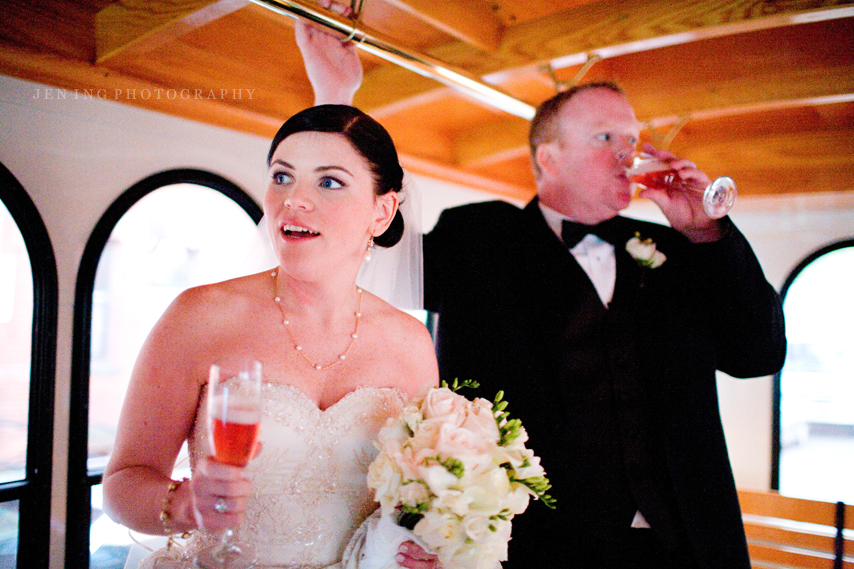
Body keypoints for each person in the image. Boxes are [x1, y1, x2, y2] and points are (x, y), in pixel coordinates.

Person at [297, 18, 786, 569]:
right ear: (548, 159)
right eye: (606, 138)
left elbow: (758, 354)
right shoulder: (478, 238)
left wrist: (707, 234)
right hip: (536, 548)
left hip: (688, 545)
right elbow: (373, 250)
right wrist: (336, 99)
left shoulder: (683, 250)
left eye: (632, 138)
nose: (628, 153)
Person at [103, 105, 441, 569]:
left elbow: (413, 503)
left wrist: (427, 548)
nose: (294, 200)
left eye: (329, 182)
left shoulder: (411, 344)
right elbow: (123, 485)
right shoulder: (199, 316)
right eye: (282, 177)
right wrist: (185, 505)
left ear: (382, 212)